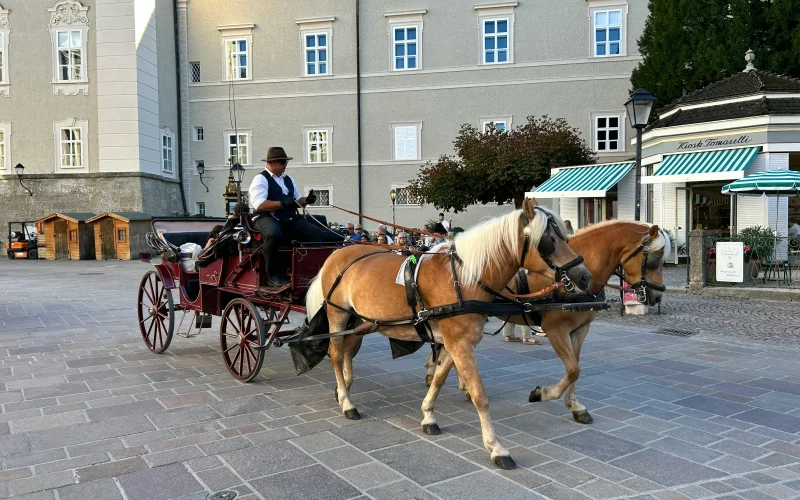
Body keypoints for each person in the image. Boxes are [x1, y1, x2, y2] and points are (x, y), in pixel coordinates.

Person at [249, 147, 341, 289]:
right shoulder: (260, 179)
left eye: (286, 162)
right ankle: (272, 276)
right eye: (283, 162)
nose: (286, 165)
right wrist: (282, 204)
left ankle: (313, 272)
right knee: (273, 234)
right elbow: (259, 204)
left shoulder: (289, 180)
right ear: (272, 163)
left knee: (314, 232)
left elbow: (298, 200)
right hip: (265, 217)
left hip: (288, 219)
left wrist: (307, 200)